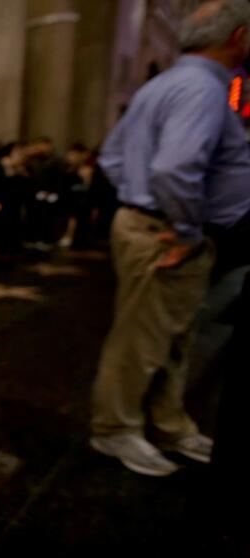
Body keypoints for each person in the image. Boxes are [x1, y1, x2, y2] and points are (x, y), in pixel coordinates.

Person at [90, 0, 250, 477]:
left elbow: (114, 157)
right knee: (143, 339)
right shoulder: (199, 88)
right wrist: (180, 226)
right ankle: (117, 427)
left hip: (152, 223)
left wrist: (140, 201)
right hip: (165, 232)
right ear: (238, 37)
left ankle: (166, 421)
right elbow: (174, 168)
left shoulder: (162, 85)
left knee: (171, 335)